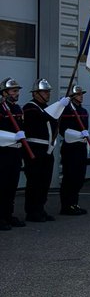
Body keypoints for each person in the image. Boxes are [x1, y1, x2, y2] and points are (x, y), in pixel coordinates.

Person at [22, 78, 70, 222]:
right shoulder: (30, 107)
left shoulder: (46, 108)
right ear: (36, 93)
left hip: (47, 150)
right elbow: (43, 117)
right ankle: (32, 211)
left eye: (48, 91)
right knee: (34, 182)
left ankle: (40, 208)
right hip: (35, 149)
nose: (47, 94)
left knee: (44, 182)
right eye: (44, 91)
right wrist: (59, 105)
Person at [58, 82, 90, 215]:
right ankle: (66, 205)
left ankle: (74, 203)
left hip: (81, 147)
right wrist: (77, 134)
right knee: (70, 177)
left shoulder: (83, 111)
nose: (81, 96)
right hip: (71, 148)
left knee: (79, 177)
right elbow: (62, 130)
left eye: (81, 94)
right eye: (78, 94)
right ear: (71, 96)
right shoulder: (66, 111)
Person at [0, 77, 28, 230]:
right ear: (4, 93)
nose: (17, 93)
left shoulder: (17, 109)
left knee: (12, 186)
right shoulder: (0, 108)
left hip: (15, 152)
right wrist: (12, 137)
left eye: (17, 91)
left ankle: (8, 215)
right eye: (14, 91)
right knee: (2, 186)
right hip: (3, 153)